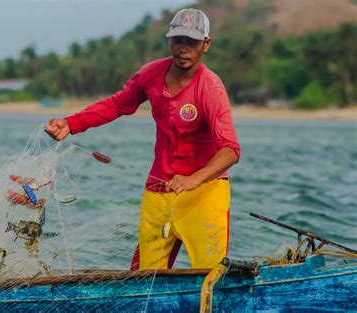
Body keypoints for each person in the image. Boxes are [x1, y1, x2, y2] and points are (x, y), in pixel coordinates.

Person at [44, 8, 240, 270]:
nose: (183, 49)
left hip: (205, 192)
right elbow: (116, 104)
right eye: (177, 40)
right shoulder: (151, 74)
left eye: (191, 42)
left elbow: (230, 150)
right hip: (159, 189)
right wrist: (71, 123)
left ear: (206, 44)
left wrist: (194, 179)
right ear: (169, 40)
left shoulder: (211, 88)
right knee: (144, 275)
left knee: (212, 274)